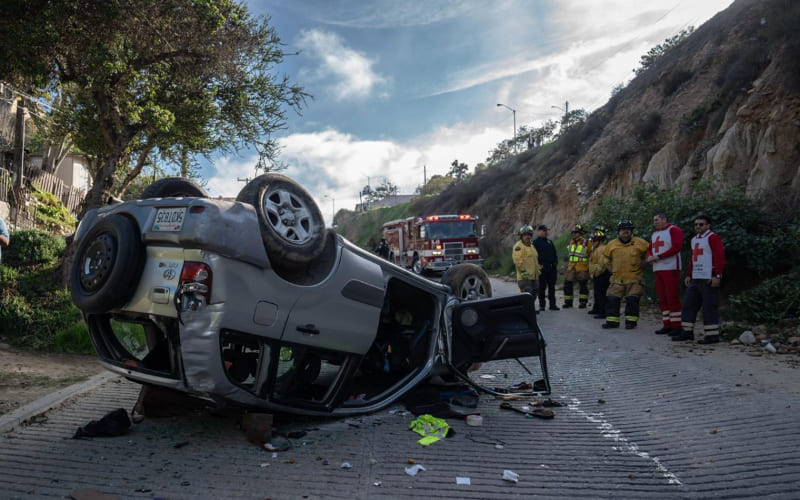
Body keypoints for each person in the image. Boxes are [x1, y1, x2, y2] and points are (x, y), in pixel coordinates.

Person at [672, 214, 726, 344]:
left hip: (708, 277)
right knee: (688, 305)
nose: (698, 227)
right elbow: (693, 258)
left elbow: (719, 257)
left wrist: (717, 275)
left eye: (701, 224)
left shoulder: (713, 238)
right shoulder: (694, 239)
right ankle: (687, 332)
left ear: (708, 225)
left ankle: (712, 336)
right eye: (696, 224)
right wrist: (689, 274)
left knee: (709, 307)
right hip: (696, 278)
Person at [601, 220, 649, 329]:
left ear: (631, 231)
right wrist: (609, 268)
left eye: (628, 229)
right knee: (612, 299)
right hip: (617, 279)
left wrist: (645, 262)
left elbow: (650, 251)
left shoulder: (640, 242)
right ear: (619, 231)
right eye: (623, 229)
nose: (625, 231)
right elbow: (605, 257)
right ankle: (612, 322)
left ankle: (631, 322)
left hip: (634, 279)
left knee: (632, 300)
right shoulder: (611, 244)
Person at [645, 212, 684, 335]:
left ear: (664, 219)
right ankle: (667, 324)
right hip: (658, 268)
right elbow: (650, 248)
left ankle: (676, 326)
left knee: (672, 296)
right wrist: (650, 257)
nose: (655, 222)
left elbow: (676, 247)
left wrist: (659, 257)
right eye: (654, 220)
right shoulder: (655, 233)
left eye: (657, 220)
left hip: (670, 267)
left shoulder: (674, 230)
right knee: (662, 297)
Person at [512, 225, 540, 310]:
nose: (527, 237)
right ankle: (528, 311)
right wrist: (524, 272)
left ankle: (527, 309)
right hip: (524, 277)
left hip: (534, 276)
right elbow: (518, 261)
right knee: (528, 294)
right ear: (521, 236)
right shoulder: (518, 247)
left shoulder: (532, 246)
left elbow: (535, 260)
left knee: (534, 294)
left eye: (529, 235)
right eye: (525, 235)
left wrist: (538, 270)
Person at [564, 224, 591, 308]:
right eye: (573, 232)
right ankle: (568, 302)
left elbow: (591, 254)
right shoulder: (571, 242)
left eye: (576, 232)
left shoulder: (586, 242)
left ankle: (583, 302)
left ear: (580, 233)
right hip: (571, 267)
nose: (574, 234)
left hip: (582, 267)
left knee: (583, 285)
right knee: (568, 284)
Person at [532, 224, 559, 311]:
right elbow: (534, 256)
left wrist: (555, 263)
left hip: (551, 269)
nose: (546, 232)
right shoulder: (535, 243)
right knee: (542, 288)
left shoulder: (549, 241)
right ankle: (542, 305)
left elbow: (554, 253)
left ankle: (552, 304)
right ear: (539, 231)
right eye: (544, 231)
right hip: (542, 269)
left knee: (552, 287)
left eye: (546, 231)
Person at [587, 229, 610, 319]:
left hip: (601, 275)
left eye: (594, 240)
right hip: (597, 275)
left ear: (600, 240)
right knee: (597, 294)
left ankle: (603, 312)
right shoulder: (596, 249)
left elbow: (602, 263)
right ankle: (596, 309)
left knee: (601, 294)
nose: (592, 242)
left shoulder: (601, 249)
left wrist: (597, 273)